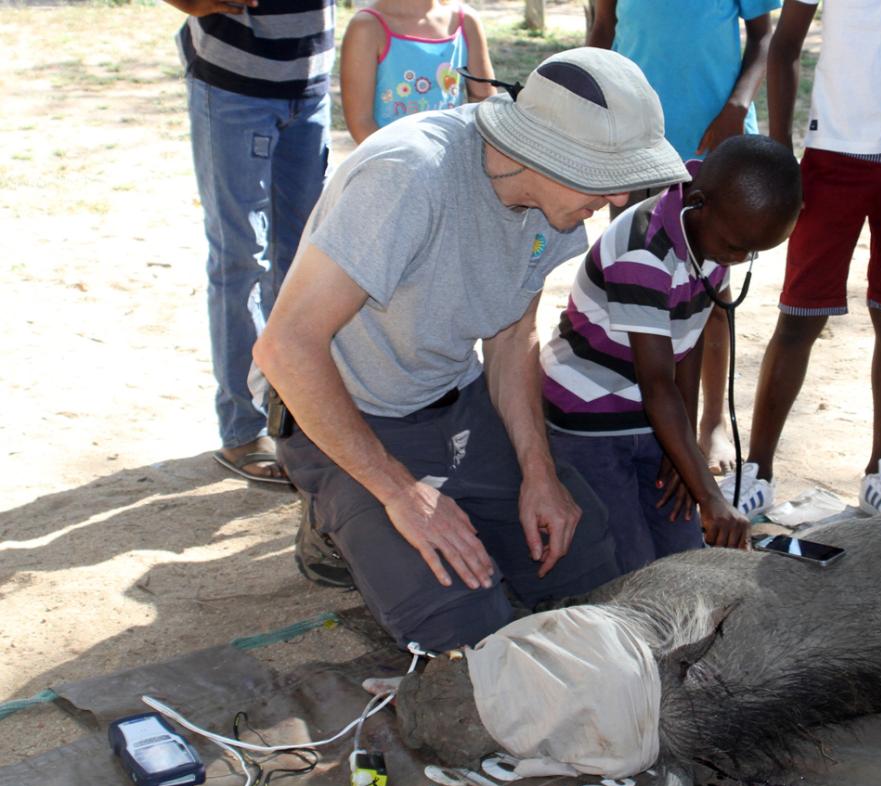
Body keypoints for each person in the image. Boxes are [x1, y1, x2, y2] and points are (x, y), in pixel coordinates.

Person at [252, 48, 688, 652]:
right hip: (346, 406)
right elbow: (287, 348)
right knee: (462, 629)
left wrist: (538, 472)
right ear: (544, 152)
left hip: (453, 398)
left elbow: (513, 338)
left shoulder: (553, 204)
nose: (616, 203)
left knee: (590, 566)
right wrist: (401, 494)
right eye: (605, 180)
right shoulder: (409, 175)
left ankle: (405, 501)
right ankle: (336, 510)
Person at [720, 0, 881, 517]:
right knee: (800, 315)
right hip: (832, 156)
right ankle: (758, 470)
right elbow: (785, 47)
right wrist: (782, 157)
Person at [541, 135, 802, 573]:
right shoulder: (644, 252)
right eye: (736, 246)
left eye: (752, 252)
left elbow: (690, 337)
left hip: (654, 414)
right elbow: (657, 381)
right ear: (698, 202)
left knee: (685, 561)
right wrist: (711, 495)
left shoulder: (716, 230)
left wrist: (686, 457)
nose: (737, 260)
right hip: (589, 419)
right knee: (636, 571)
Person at [587, 0, 781, 474]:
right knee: (639, 285)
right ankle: (648, 415)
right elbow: (604, 30)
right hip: (634, 144)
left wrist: (738, 105)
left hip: (713, 146)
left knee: (712, 296)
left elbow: (763, 37)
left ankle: (710, 422)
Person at [162, 0, 334, 485]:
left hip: (311, 83)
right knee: (242, 262)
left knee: (308, 262)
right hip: (232, 86)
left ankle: (296, 417)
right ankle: (242, 428)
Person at [340, 0, 495, 144]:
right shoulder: (366, 26)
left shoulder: (466, 21)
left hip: (452, 160)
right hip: (391, 163)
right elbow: (361, 123)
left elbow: (486, 105)